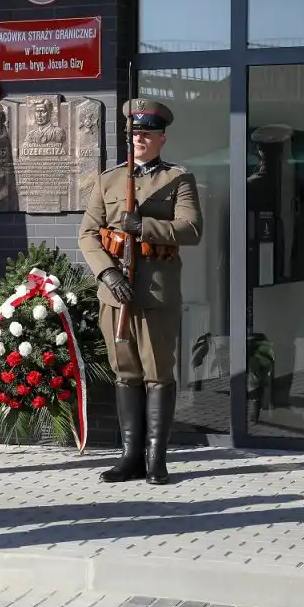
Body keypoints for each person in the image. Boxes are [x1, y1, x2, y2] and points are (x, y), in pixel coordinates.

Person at [78, 98, 202, 486]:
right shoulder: (109, 179)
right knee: (125, 373)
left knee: (158, 373)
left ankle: (155, 459)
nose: (139, 140)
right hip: (117, 294)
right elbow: (87, 233)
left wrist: (144, 225)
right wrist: (107, 274)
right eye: (134, 134)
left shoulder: (178, 179)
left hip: (155, 292)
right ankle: (129, 456)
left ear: (162, 138)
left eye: (147, 134)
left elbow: (192, 229)